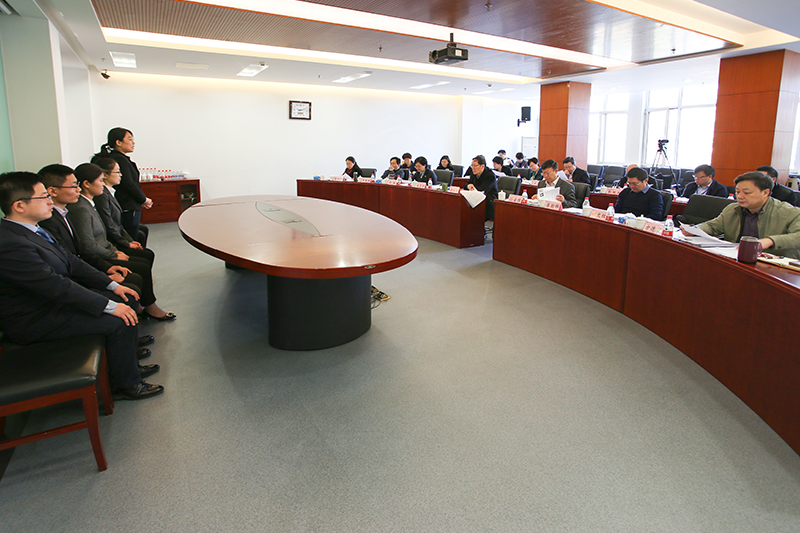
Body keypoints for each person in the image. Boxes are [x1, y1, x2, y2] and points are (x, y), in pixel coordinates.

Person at [0, 171, 163, 400]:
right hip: (35, 318)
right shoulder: (10, 243)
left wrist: (112, 286)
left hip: (52, 303)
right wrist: (109, 306)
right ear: (19, 205)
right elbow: (55, 286)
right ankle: (125, 385)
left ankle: (127, 366)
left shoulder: (33, 229)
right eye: (44, 196)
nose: (49, 201)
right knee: (118, 320)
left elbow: (71, 261)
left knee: (124, 297)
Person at [67, 163, 175, 322]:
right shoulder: (82, 208)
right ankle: (148, 305)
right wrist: (113, 254)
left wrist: (115, 249)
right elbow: (89, 244)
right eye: (100, 180)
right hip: (99, 256)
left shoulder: (89, 203)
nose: (103, 184)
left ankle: (143, 302)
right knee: (141, 266)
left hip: (105, 249)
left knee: (145, 256)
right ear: (86, 184)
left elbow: (105, 232)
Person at [697, 171, 800, 259]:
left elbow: (797, 236)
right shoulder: (732, 209)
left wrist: (770, 241)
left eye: (746, 193)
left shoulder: (789, 212)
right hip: (737, 258)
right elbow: (712, 226)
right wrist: (694, 230)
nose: (740, 196)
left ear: (765, 193)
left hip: (774, 264)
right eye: (737, 192)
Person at [91, 156, 157, 266]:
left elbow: (117, 225)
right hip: (111, 243)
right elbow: (109, 225)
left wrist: (129, 240)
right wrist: (126, 243)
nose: (121, 175)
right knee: (145, 258)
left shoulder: (110, 192)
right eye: (117, 172)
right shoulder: (101, 196)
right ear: (105, 175)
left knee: (142, 236)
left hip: (116, 237)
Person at [96, 127, 151, 245]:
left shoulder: (120, 158)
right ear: (118, 142)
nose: (133, 143)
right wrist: (143, 199)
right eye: (130, 139)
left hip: (128, 203)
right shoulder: (119, 160)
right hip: (127, 205)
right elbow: (129, 184)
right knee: (132, 236)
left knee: (140, 232)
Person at [466, 155, 498, 221]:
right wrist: (468, 186)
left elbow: (482, 189)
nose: (473, 168)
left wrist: (473, 187)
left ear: (482, 166)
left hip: (488, 203)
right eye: (472, 166)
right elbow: (466, 184)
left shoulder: (490, 175)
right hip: (476, 200)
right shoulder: (474, 173)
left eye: (475, 166)